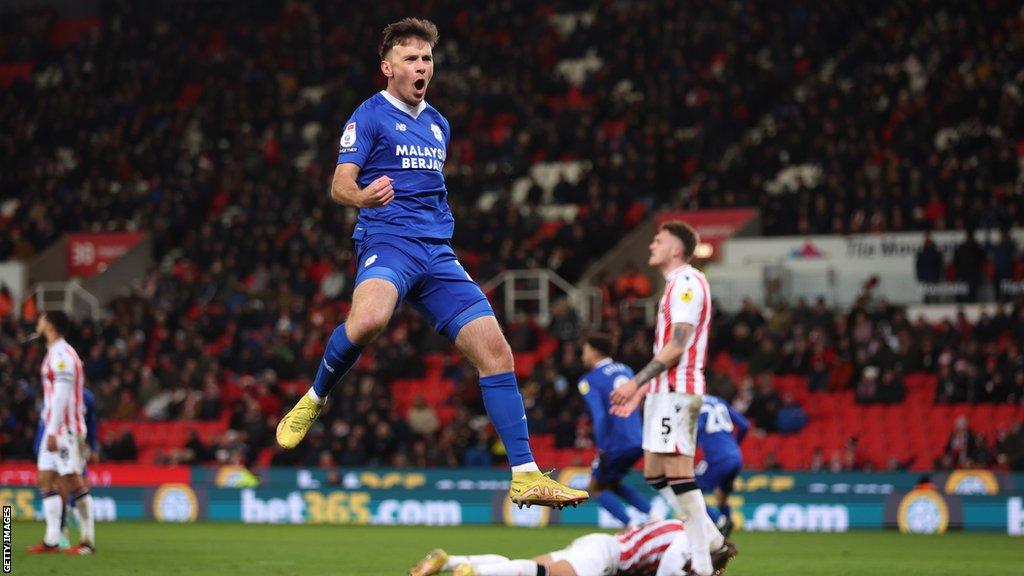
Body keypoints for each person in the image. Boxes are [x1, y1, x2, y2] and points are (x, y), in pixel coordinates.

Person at [275, 18, 586, 509]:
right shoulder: (369, 116)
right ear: (388, 68)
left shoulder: (439, 124)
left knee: (497, 353)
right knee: (370, 321)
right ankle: (314, 398)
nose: (422, 67)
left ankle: (525, 474)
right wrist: (365, 197)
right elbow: (339, 185)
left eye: (427, 59)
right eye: (411, 59)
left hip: (437, 253)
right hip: (389, 240)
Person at [609, 221, 718, 575]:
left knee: (677, 470)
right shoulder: (674, 284)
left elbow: (678, 344)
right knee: (655, 472)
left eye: (659, 241)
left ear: (676, 249)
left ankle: (703, 561)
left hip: (677, 389)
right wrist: (642, 390)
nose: (652, 245)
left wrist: (635, 381)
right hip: (662, 391)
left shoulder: (686, 283)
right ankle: (712, 536)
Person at [408, 519, 737, 576]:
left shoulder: (677, 527)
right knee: (543, 573)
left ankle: (451, 561)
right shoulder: (682, 544)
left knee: (520, 564)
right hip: (603, 558)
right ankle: (475, 572)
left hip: (599, 545)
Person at [27, 311, 95, 554]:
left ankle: (88, 542)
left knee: (72, 480)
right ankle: (52, 540)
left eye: (41, 320)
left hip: (65, 429)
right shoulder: (54, 353)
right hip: (54, 428)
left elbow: (62, 396)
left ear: (51, 326)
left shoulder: (63, 355)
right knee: (45, 479)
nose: (38, 324)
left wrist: (53, 431)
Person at [577, 333, 653, 527]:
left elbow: (600, 415)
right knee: (612, 483)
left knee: (595, 487)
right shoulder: (626, 369)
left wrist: (602, 447)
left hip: (615, 442)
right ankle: (654, 517)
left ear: (594, 352)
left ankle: (631, 526)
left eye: (585, 350)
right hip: (637, 439)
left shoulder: (589, 380)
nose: (583, 355)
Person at [34, 386, 99, 550]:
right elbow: (44, 421)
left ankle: (85, 539)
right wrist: (38, 444)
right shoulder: (49, 392)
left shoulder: (86, 397)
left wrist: (93, 446)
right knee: (52, 484)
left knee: (74, 482)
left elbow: (91, 421)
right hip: (50, 442)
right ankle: (59, 532)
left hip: (71, 441)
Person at [695, 394, 749, 537]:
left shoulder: (694, 404)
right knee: (722, 497)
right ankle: (726, 533)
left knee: (690, 491)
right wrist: (734, 445)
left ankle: (719, 520)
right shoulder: (719, 401)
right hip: (736, 457)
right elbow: (745, 425)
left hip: (717, 459)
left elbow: (697, 430)